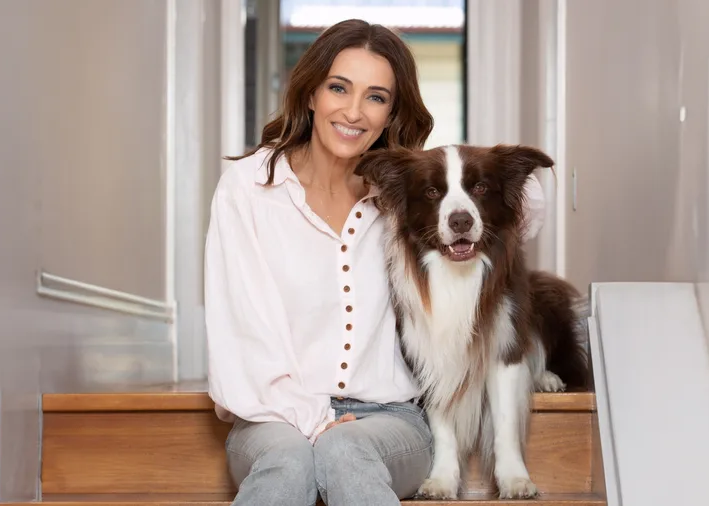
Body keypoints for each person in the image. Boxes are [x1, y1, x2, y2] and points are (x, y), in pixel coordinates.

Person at [203, 18, 546, 506]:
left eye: (376, 97)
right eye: (338, 88)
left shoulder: (403, 194)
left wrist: (492, 181)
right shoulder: (249, 188)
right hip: (272, 418)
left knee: (346, 450)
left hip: (390, 418)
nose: (354, 111)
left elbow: (518, 213)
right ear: (310, 94)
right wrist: (315, 421)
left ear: (391, 113)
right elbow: (241, 331)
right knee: (290, 460)